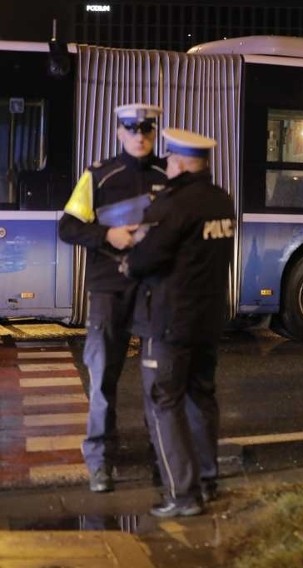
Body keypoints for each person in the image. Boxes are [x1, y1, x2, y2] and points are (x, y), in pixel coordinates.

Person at [122, 128, 233, 517]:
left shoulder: (172, 204)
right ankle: (207, 481)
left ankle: (182, 495)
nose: (166, 165)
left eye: (169, 160)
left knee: (163, 404)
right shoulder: (222, 201)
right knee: (201, 397)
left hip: (168, 322)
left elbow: (144, 258)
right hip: (207, 321)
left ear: (182, 163)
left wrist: (131, 258)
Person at [58, 103, 167, 493]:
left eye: (147, 129)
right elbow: (68, 226)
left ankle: (162, 458)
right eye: (132, 128)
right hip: (108, 289)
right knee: (103, 377)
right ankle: (100, 462)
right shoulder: (100, 175)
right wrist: (107, 235)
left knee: (159, 378)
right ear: (119, 132)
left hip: (153, 289)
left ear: (155, 132)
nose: (140, 135)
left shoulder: (167, 175)